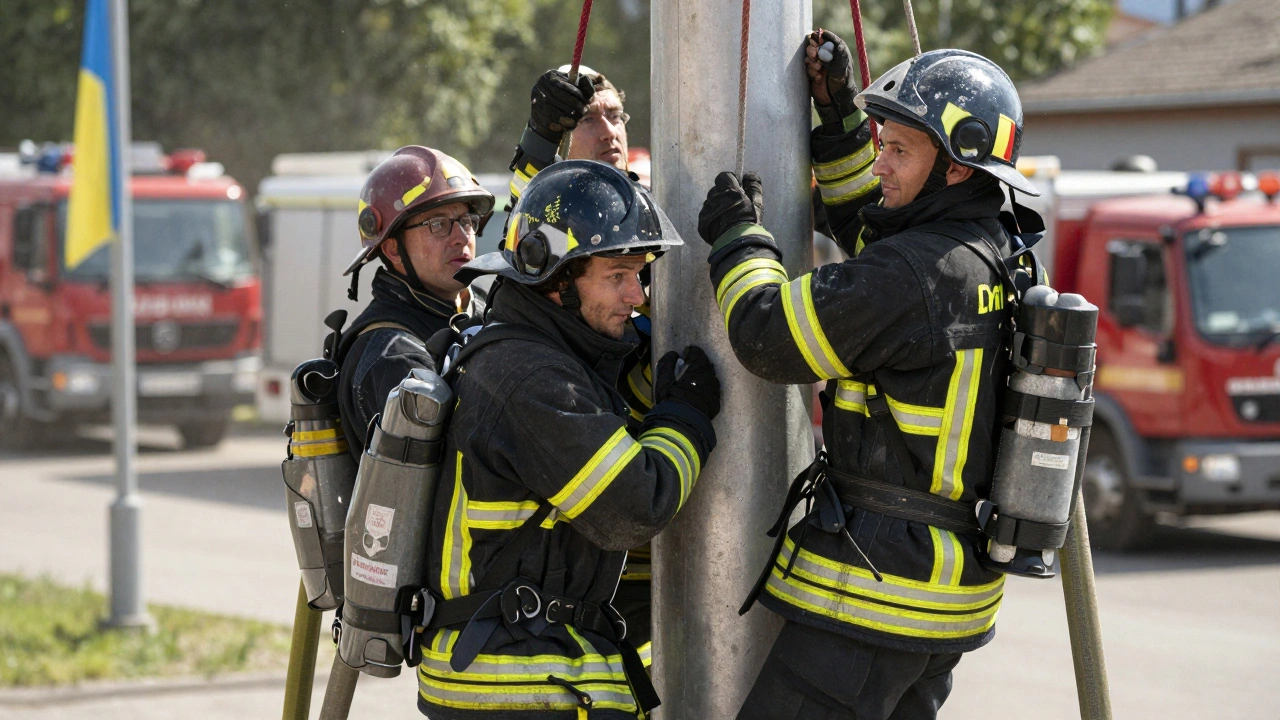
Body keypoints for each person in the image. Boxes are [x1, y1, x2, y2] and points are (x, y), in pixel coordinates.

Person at [699, 32, 1043, 720]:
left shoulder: (911, 276)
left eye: (899, 150)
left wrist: (738, 240)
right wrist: (841, 127)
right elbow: (877, 233)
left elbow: (769, 337)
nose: (882, 162)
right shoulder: (994, 252)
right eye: (880, 144)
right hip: (941, 602)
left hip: (875, 600)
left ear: (956, 168)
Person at [416, 160, 720, 719]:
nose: (637, 295)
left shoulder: (532, 354)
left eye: (640, 274)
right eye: (617, 276)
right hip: (516, 685)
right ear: (553, 279)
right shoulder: (529, 379)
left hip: (522, 672)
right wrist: (685, 420)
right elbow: (633, 506)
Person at [507, 64, 658, 647]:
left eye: (616, 116)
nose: (609, 131)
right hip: (596, 509)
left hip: (663, 495)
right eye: (590, 120)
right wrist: (539, 136)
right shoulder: (553, 229)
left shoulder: (651, 215)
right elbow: (530, 234)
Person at [334, 145, 495, 459]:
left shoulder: (483, 311)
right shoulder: (389, 355)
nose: (462, 237)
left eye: (466, 220)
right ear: (393, 249)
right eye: (438, 224)